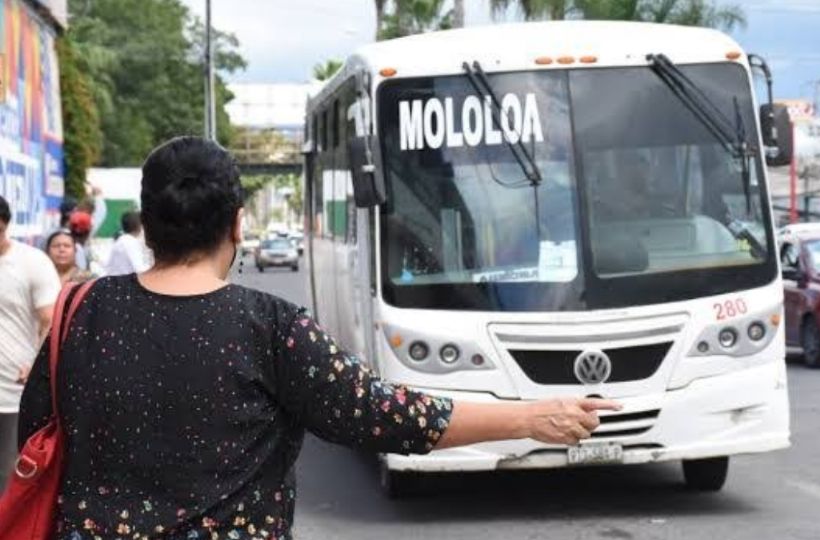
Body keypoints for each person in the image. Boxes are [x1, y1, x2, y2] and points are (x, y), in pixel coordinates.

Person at [18, 137, 619, 539]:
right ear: (236, 224)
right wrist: (530, 418)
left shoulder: (81, 310)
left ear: (147, 225)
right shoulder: (270, 328)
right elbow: (389, 417)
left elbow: (34, 435)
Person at [0, 195, 61, 492]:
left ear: (5, 225)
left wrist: (35, 365)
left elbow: (50, 321)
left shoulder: (31, 263)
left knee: (8, 478)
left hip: (12, 391)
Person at [104, 210, 151, 276]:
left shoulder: (123, 240)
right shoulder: (130, 242)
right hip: (122, 281)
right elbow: (140, 269)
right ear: (139, 226)